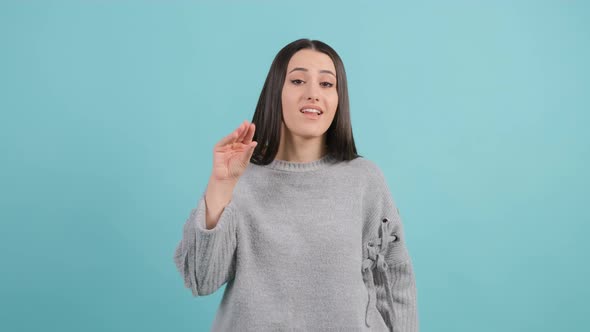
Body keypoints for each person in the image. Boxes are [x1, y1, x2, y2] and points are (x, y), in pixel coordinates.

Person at [173, 38, 419, 331]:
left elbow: (394, 281)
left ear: (339, 99)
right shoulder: (238, 177)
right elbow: (202, 279)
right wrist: (221, 186)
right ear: (275, 92)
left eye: (327, 84)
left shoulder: (365, 180)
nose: (313, 94)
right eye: (298, 80)